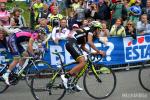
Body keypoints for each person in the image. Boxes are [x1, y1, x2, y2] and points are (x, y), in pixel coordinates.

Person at [61, 21, 105, 91]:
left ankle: (73, 83)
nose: (100, 32)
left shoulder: (85, 33)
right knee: (83, 62)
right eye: (100, 30)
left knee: (82, 65)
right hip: (71, 42)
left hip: (70, 43)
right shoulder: (91, 30)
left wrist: (92, 53)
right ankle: (65, 76)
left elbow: (83, 47)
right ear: (96, 29)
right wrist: (99, 51)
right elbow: (90, 43)